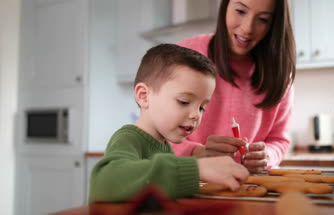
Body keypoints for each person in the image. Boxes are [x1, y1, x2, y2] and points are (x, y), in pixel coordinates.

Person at [88, 44, 249, 203]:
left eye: (202, 107)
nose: (195, 115)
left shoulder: (164, 145)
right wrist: (197, 169)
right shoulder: (128, 138)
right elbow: (106, 181)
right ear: (144, 96)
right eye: (184, 102)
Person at [171, 0, 296, 173]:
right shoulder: (180, 56)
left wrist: (267, 155)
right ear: (225, 7)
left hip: (247, 189)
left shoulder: (280, 74)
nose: (247, 28)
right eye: (240, 11)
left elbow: (279, 140)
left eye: (263, 19)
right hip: (185, 183)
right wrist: (197, 153)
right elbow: (152, 136)